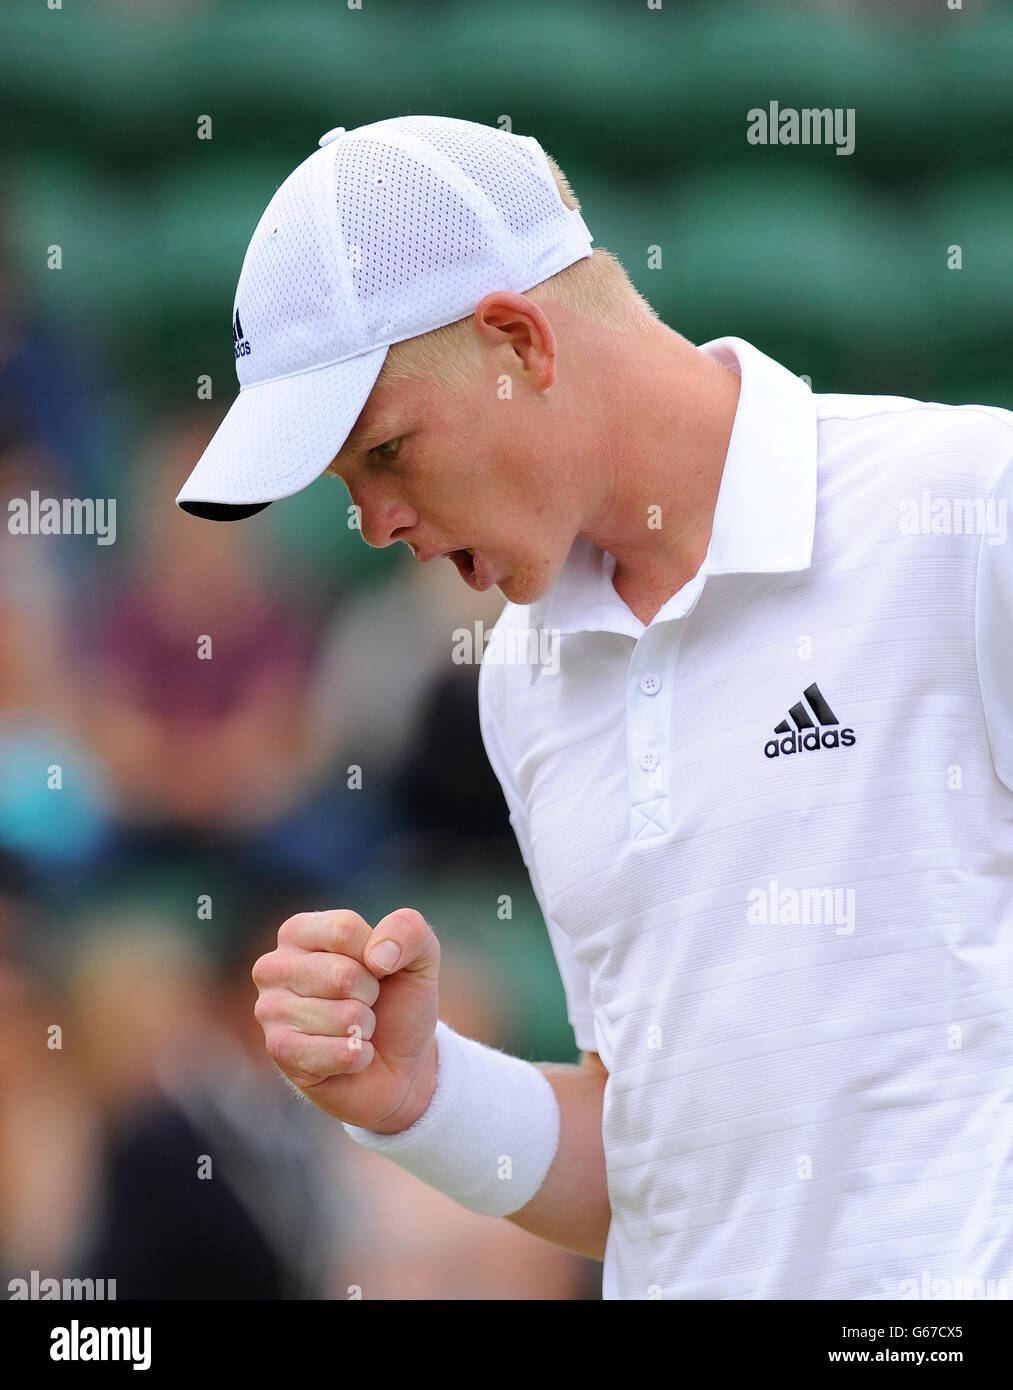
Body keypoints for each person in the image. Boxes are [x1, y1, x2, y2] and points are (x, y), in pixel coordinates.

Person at [177, 115, 1013, 1300]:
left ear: (517, 338)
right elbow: (657, 1169)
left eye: (388, 454)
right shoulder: (524, 678)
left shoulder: (970, 505)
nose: (373, 525)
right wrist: (422, 1094)